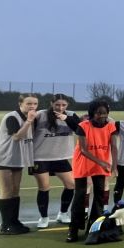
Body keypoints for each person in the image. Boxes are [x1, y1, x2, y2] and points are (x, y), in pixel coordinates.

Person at [68, 100, 119, 242]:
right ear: (92, 113)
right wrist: (102, 162)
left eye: (104, 113)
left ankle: (93, 227)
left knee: (100, 196)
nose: (102, 116)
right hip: (83, 163)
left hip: (100, 165)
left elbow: (114, 147)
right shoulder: (83, 126)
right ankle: (73, 229)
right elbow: (83, 150)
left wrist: (114, 166)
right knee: (80, 195)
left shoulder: (111, 126)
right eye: (98, 113)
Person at [0, 94, 39, 234]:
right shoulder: (12, 117)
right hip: (2, 159)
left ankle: (14, 221)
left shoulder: (32, 118)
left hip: (17, 159)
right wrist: (29, 121)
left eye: (35, 104)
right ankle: (6, 225)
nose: (32, 106)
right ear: (20, 104)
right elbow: (17, 137)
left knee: (15, 190)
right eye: (29, 103)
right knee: (6, 190)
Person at [31, 93, 77, 229]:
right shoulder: (40, 115)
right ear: (52, 104)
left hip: (61, 157)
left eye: (63, 105)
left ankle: (63, 213)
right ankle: (44, 217)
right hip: (40, 157)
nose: (60, 107)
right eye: (57, 105)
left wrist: (66, 118)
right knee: (44, 187)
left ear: (67, 105)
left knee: (71, 185)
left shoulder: (71, 115)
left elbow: (80, 129)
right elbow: (28, 132)